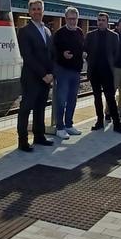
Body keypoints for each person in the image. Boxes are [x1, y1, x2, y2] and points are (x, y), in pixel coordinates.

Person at [15, 0, 55, 152]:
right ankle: (23, 141)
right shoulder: (24, 31)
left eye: (39, 9)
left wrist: (51, 73)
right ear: (29, 12)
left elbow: (50, 54)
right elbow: (28, 56)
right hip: (31, 77)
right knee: (26, 109)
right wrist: (44, 74)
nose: (37, 11)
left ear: (43, 11)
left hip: (46, 78)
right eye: (34, 9)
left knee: (40, 108)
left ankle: (39, 136)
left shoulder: (47, 30)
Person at [85, 13, 121, 134]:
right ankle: (99, 121)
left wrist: (111, 64)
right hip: (94, 72)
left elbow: (116, 52)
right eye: (98, 20)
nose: (100, 22)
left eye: (103, 20)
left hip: (108, 72)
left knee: (110, 97)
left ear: (107, 22)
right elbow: (86, 50)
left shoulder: (113, 36)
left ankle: (117, 123)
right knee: (97, 97)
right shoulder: (90, 35)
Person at [52, 7, 85, 140]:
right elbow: (53, 52)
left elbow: (81, 47)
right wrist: (62, 54)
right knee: (61, 99)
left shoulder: (79, 32)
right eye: (70, 18)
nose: (72, 21)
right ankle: (60, 127)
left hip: (76, 71)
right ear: (65, 19)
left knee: (72, 99)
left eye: (74, 18)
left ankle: (69, 124)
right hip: (63, 70)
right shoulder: (59, 33)